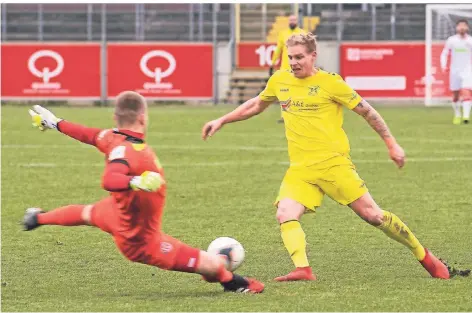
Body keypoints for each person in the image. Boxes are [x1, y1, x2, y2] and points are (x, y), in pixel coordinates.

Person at [202, 33, 451, 282]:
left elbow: (367, 112)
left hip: (334, 165)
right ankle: (303, 269)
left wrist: (391, 144)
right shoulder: (280, 80)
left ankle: (425, 256)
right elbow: (256, 104)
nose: (294, 62)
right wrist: (222, 120)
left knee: (374, 216)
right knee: (285, 213)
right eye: (290, 57)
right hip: (300, 169)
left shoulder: (331, 83)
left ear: (313, 55)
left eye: (300, 57)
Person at [24, 91, 264, 294]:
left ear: (115, 117)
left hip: (115, 211)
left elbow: (87, 133)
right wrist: (136, 181)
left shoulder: (112, 137)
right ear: (142, 117)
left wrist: (55, 122)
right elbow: (110, 179)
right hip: (140, 239)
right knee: (212, 266)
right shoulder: (128, 151)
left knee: (86, 214)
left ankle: (37, 218)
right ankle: (232, 282)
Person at [270, 14, 305, 124]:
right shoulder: (283, 34)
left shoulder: (302, 34)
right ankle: (284, 116)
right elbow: (278, 49)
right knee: (284, 92)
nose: (292, 21)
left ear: (297, 21)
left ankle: (300, 114)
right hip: (285, 68)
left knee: (299, 92)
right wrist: (272, 63)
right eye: (291, 20)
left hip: (298, 68)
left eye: (294, 20)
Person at [440, 19, 472, 125]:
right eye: (460, 26)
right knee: (455, 95)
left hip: (467, 70)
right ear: (456, 28)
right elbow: (444, 53)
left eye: (464, 25)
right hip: (455, 71)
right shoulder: (451, 40)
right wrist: (443, 65)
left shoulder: (470, 41)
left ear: (467, 28)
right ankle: (457, 114)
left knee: (466, 92)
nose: (462, 27)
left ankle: (466, 117)